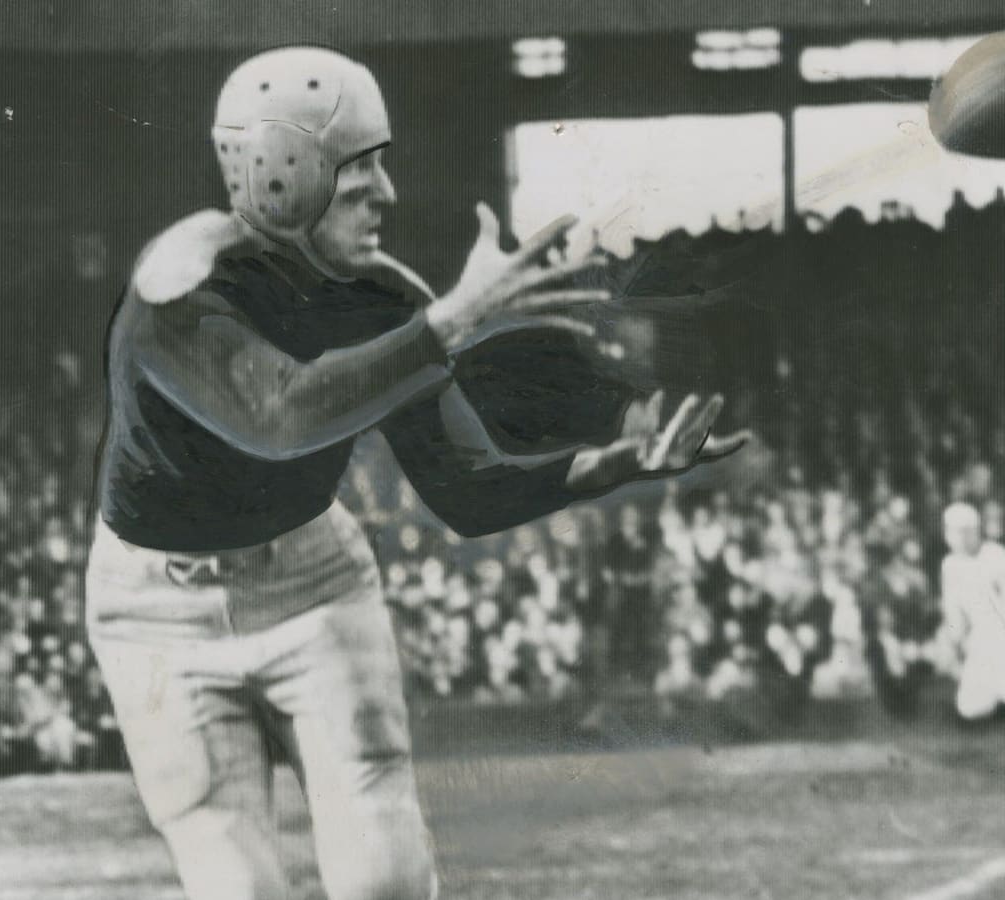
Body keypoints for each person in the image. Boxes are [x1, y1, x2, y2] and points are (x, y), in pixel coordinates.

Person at [87, 46, 748, 900]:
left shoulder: (385, 300)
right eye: (359, 176)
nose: (387, 195)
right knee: (235, 884)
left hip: (311, 579)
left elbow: (467, 489)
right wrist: (454, 321)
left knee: (386, 881)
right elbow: (278, 416)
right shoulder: (180, 281)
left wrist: (613, 465)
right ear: (285, 174)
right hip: (156, 612)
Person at [936, 502, 1005, 722]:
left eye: (967, 531)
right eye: (954, 531)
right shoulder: (949, 565)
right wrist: (953, 642)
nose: (961, 537)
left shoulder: (996, 556)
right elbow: (954, 613)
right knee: (970, 708)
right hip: (978, 641)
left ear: (976, 531)